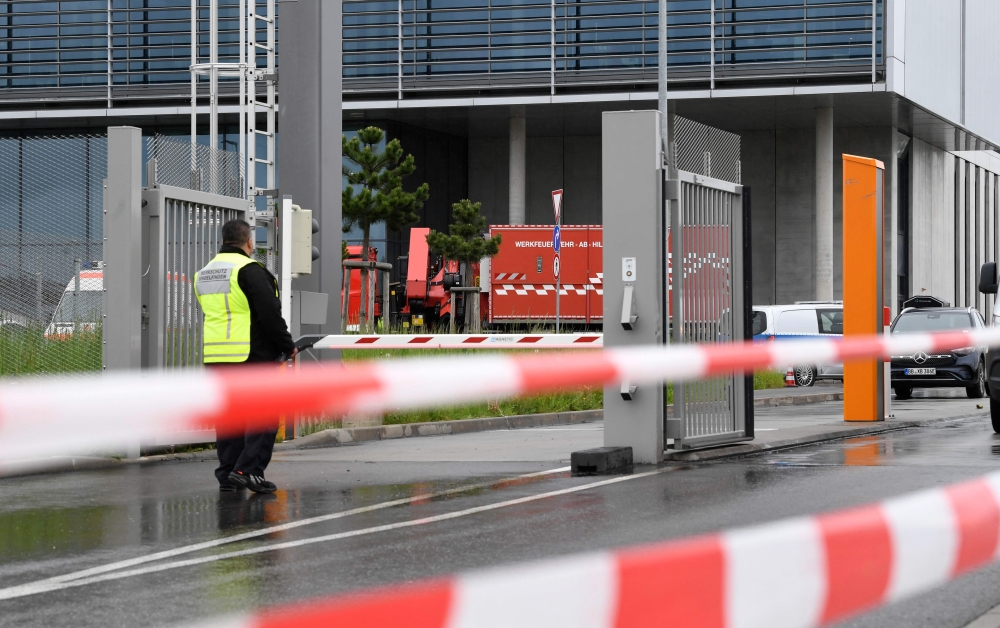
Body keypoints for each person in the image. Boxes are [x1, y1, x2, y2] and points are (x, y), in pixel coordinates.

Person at [194, 219, 296, 494]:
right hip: (250, 354)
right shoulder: (249, 270)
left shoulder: (203, 274)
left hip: (216, 355)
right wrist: (287, 345)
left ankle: (228, 472)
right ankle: (248, 471)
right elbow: (269, 313)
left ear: (223, 240)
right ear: (249, 242)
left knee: (230, 415)